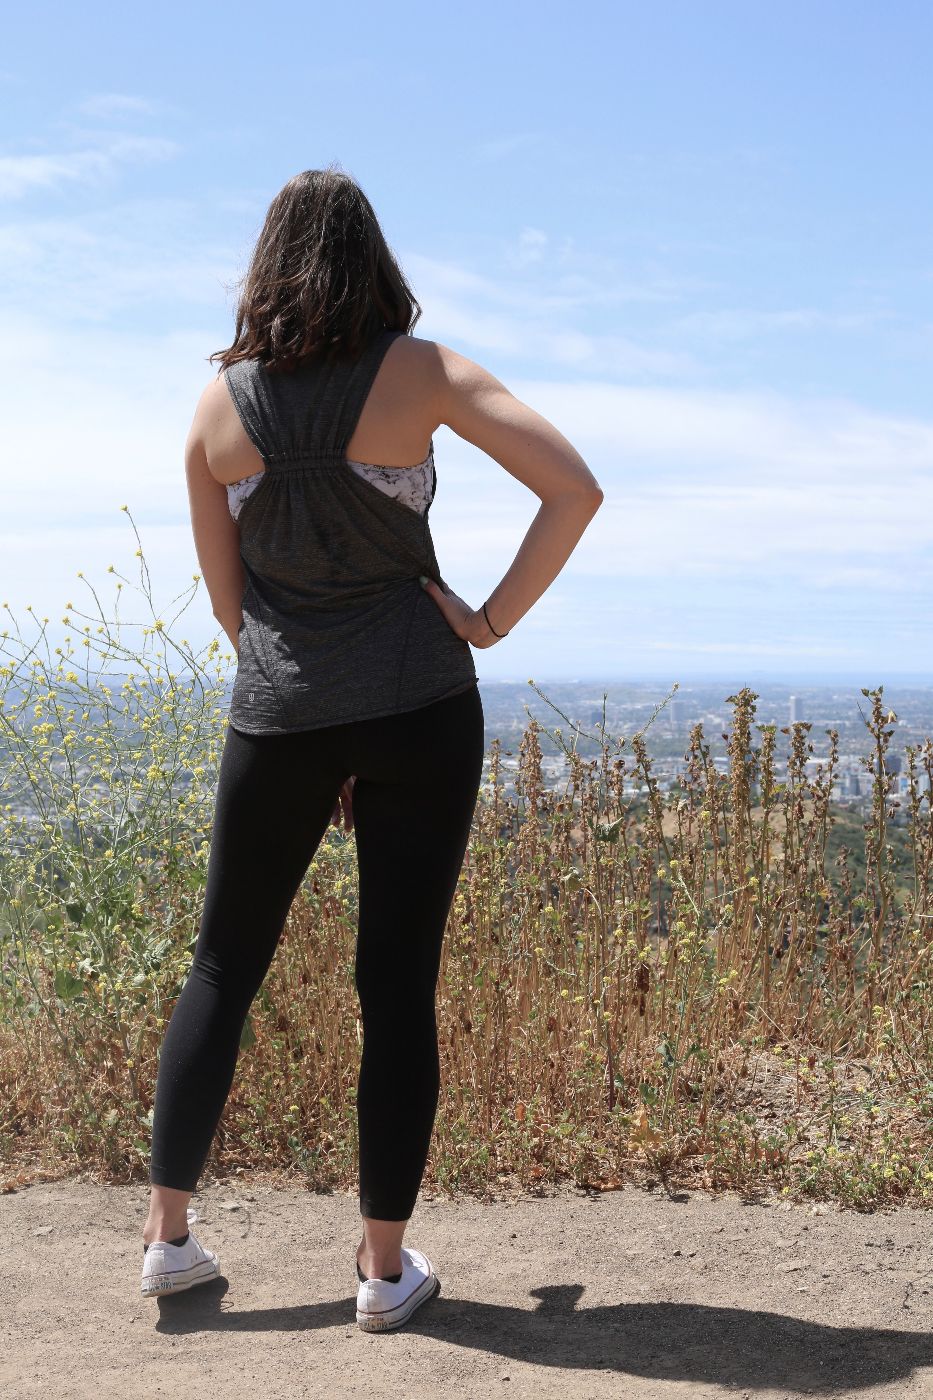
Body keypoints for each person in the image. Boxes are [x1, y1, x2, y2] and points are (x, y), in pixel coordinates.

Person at [140, 163, 603, 1331]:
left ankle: (168, 1239)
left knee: (221, 967)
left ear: (265, 268)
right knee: (395, 984)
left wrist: (312, 705)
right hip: (421, 707)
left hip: (278, 715)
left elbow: (229, 604)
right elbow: (574, 489)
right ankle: (384, 1271)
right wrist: (488, 619)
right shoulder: (421, 372)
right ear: (373, 261)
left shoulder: (214, 413)